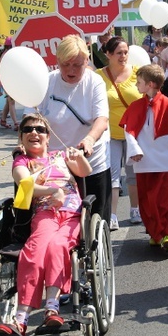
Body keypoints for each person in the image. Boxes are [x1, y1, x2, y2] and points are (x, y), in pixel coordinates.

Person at [0, 114, 92, 336]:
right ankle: (21, 319)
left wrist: (78, 156)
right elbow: (24, 184)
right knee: (36, 249)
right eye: (28, 129)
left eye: (40, 129)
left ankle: (52, 308)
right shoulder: (22, 163)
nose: (34, 133)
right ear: (21, 137)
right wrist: (52, 191)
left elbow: (84, 171)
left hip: (72, 214)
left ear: (48, 137)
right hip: (45, 211)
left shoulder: (60, 155)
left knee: (59, 245)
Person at [29, 34, 111, 223]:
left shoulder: (94, 82)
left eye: (77, 65)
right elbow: (31, 118)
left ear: (87, 61)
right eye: (66, 64)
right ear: (57, 61)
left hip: (89, 163)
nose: (71, 70)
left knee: (95, 220)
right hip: (54, 167)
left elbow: (102, 119)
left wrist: (89, 140)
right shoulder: (47, 82)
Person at [122, 64, 168, 252]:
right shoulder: (136, 107)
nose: (136, 86)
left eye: (139, 82)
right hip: (144, 164)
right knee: (147, 201)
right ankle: (155, 233)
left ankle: (166, 233)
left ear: (150, 84)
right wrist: (134, 149)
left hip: (167, 164)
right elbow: (129, 131)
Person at [95, 36, 142, 230]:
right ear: (108, 54)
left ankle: (135, 209)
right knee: (113, 176)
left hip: (134, 134)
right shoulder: (98, 76)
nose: (123, 56)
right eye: (119, 53)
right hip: (110, 134)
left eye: (125, 52)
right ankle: (112, 214)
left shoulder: (138, 73)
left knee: (133, 175)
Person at [0, 37, 19, 131]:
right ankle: (16, 123)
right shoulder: (7, 54)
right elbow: (0, 68)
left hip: (11, 80)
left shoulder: (6, 53)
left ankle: (3, 120)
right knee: (11, 101)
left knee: (8, 101)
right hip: (7, 80)